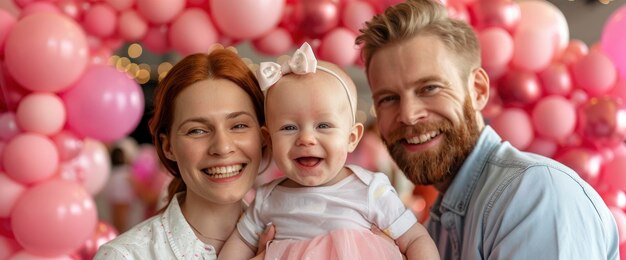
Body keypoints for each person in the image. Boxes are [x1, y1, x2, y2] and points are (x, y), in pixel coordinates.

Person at [356, 0, 620, 259]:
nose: (409, 115)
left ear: (478, 90)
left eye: (429, 88)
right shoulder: (435, 227)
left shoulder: (533, 196)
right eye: (388, 98)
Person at [219, 42, 440, 260]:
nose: (306, 138)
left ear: (351, 138)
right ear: (269, 139)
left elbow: (415, 239)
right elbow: (239, 243)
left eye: (323, 126)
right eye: (289, 127)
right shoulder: (267, 199)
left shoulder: (370, 190)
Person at [95, 47, 272, 259]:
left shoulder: (295, 237)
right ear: (168, 146)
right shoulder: (126, 256)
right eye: (197, 130)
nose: (223, 147)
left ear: (263, 135)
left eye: (239, 126)